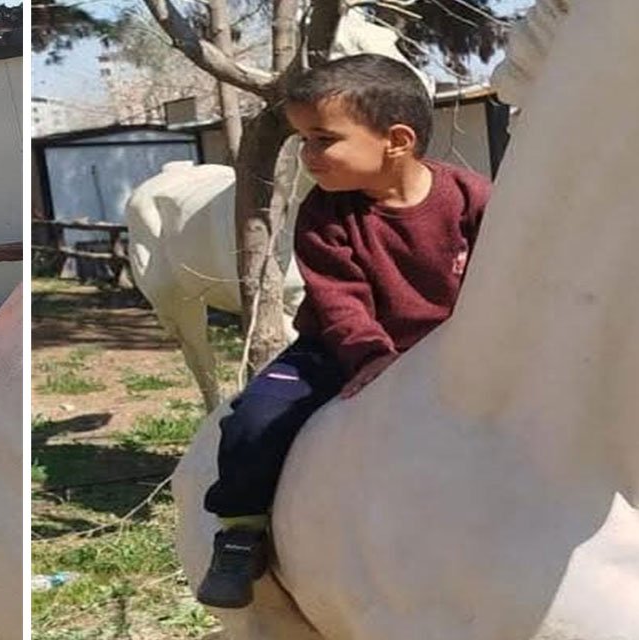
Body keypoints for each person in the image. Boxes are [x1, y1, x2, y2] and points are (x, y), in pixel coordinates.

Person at [196, 53, 491, 609]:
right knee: (254, 417)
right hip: (339, 349)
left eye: (322, 139)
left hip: (456, 346)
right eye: (303, 140)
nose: (308, 155)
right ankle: (239, 531)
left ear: (396, 140)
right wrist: (371, 356)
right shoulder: (325, 213)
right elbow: (340, 301)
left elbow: (504, 277)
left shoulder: (472, 198)